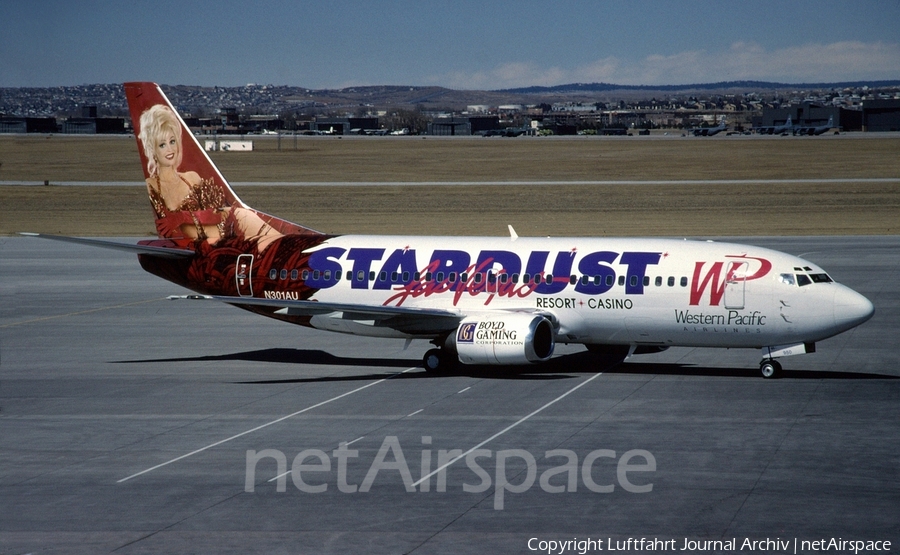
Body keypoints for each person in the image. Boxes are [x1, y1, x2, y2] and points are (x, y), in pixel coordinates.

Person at [138, 104, 282, 251]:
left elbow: (219, 213)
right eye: (162, 145)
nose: (170, 149)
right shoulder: (153, 186)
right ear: (152, 149)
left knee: (279, 247)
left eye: (172, 141)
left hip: (235, 227)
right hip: (206, 245)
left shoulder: (191, 178)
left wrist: (183, 217)